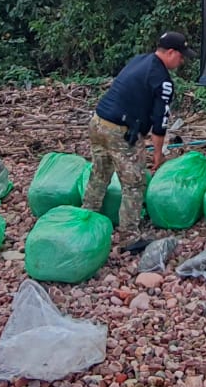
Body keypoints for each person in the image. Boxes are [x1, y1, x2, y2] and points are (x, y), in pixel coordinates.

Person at [82, 31, 197, 252]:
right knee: (134, 183)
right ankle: (129, 237)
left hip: (98, 122)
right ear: (170, 52)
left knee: (100, 172)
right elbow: (159, 122)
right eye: (181, 56)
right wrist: (158, 153)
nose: (182, 61)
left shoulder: (140, 60)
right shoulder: (162, 80)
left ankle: (87, 217)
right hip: (119, 131)